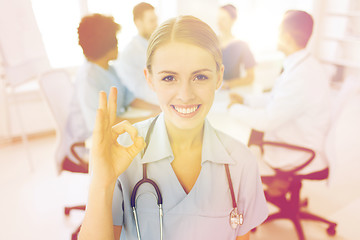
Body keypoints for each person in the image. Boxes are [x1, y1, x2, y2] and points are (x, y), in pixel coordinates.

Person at [78, 15, 268, 240]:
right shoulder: (123, 153)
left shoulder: (241, 162)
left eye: (200, 76)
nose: (185, 95)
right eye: (169, 78)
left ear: (218, 78)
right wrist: (102, 182)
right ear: (150, 79)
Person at [228, 10, 332, 177]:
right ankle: (277, 188)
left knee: (235, 152)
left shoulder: (300, 76)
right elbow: (276, 97)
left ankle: (271, 188)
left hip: (297, 151)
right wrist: (246, 100)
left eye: (278, 31)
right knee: (249, 137)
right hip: (299, 136)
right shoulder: (303, 65)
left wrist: (232, 109)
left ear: (287, 38)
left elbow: (267, 121)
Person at [65, 14, 160, 166]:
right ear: (106, 44)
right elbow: (104, 125)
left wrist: (159, 109)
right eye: (115, 40)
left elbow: (130, 98)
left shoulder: (109, 69)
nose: (118, 44)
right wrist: (151, 118)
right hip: (88, 145)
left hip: (113, 131)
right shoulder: (88, 79)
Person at [114, 2, 159, 105]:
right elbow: (139, 90)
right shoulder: (128, 54)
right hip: (147, 108)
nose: (156, 24)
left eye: (156, 19)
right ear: (138, 23)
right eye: (152, 21)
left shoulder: (159, 45)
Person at [217, 4, 256, 89]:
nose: (219, 22)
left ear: (233, 20)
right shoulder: (211, 42)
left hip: (229, 91)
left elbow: (250, 77)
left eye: (223, 19)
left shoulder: (242, 45)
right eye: (218, 19)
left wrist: (228, 84)